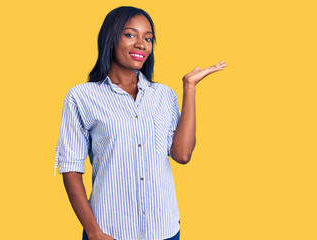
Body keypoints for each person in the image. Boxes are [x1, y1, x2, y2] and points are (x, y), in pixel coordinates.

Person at [54, 6, 227, 240]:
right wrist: (94, 233)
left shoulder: (163, 95)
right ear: (110, 38)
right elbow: (71, 169)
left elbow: (182, 154)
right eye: (130, 35)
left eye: (148, 38)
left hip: (163, 229)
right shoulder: (81, 97)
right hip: (110, 231)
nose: (141, 44)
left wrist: (190, 87)